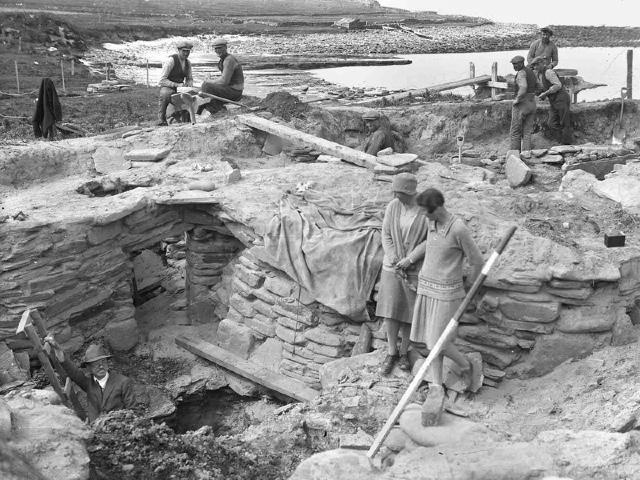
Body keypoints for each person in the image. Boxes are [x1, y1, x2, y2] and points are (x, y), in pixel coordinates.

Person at [410, 188, 483, 388]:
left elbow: (477, 261)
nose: (422, 214)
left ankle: (466, 365)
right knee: (429, 342)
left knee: (437, 343)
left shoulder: (458, 229)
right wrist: (410, 258)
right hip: (427, 290)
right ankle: (436, 384)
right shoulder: (430, 222)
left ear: (437, 208)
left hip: (447, 295)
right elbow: (429, 244)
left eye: (425, 210)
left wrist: (469, 286)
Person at [377, 173, 429, 375]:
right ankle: (392, 352)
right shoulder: (393, 207)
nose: (396, 196)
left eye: (399, 193)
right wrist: (392, 255)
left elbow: (429, 239)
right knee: (391, 310)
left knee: (408, 312)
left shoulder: (426, 210)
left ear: (409, 193)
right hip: (392, 267)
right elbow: (386, 233)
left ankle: (404, 350)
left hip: (413, 269)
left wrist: (410, 259)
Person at [44, 334, 138, 423]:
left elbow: (134, 411)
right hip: (95, 432)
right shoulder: (88, 383)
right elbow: (72, 370)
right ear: (88, 368)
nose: (101, 366)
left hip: (118, 430)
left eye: (103, 362)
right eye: (96, 364)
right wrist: (57, 348)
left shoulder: (122, 382)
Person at [530, 56, 573, 145]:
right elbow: (542, 87)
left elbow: (558, 85)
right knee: (551, 123)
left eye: (536, 65)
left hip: (561, 99)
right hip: (553, 101)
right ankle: (561, 142)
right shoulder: (539, 74)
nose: (535, 68)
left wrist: (545, 93)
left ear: (541, 63)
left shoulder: (549, 72)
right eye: (534, 66)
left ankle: (567, 144)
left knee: (564, 121)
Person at [199, 38, 244, 115]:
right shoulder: (223, 59)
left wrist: (208, 81)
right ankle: (216, 108)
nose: (217, 51)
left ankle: (215, 111)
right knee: (204, 87)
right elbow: (224, 79)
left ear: (226, 48)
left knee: (206, 86)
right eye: (216, 49)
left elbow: (224, 81)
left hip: (235, 91)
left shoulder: (229, 60)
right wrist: (210, 80)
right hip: (231, 89)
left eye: (220, 48)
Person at [157, 40, 194, 126]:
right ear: (179, 50)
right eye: (184, 51)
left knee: (190, 96)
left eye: (188, 51)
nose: (186, 54)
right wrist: (177, 85)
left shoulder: (188, 63)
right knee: (165, 93)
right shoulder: (170, 61)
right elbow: (161, 80)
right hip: (168, 86)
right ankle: (161, 119)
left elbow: (189, 78)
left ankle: (188, 118)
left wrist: (189, 83)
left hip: (181, 88)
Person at [509, 55, 542, 152]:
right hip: (532, 103)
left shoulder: (521, 73)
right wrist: (532, 95)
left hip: (522, 104)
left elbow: (523, 87)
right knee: (527, 132)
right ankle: (526, 153)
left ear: (521, 63)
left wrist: (517, 100)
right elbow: (540, 86)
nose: (514, 66)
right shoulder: (531, 72)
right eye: (513, 64)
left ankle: (514, 155)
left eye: (515, 64)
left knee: (515, 131)